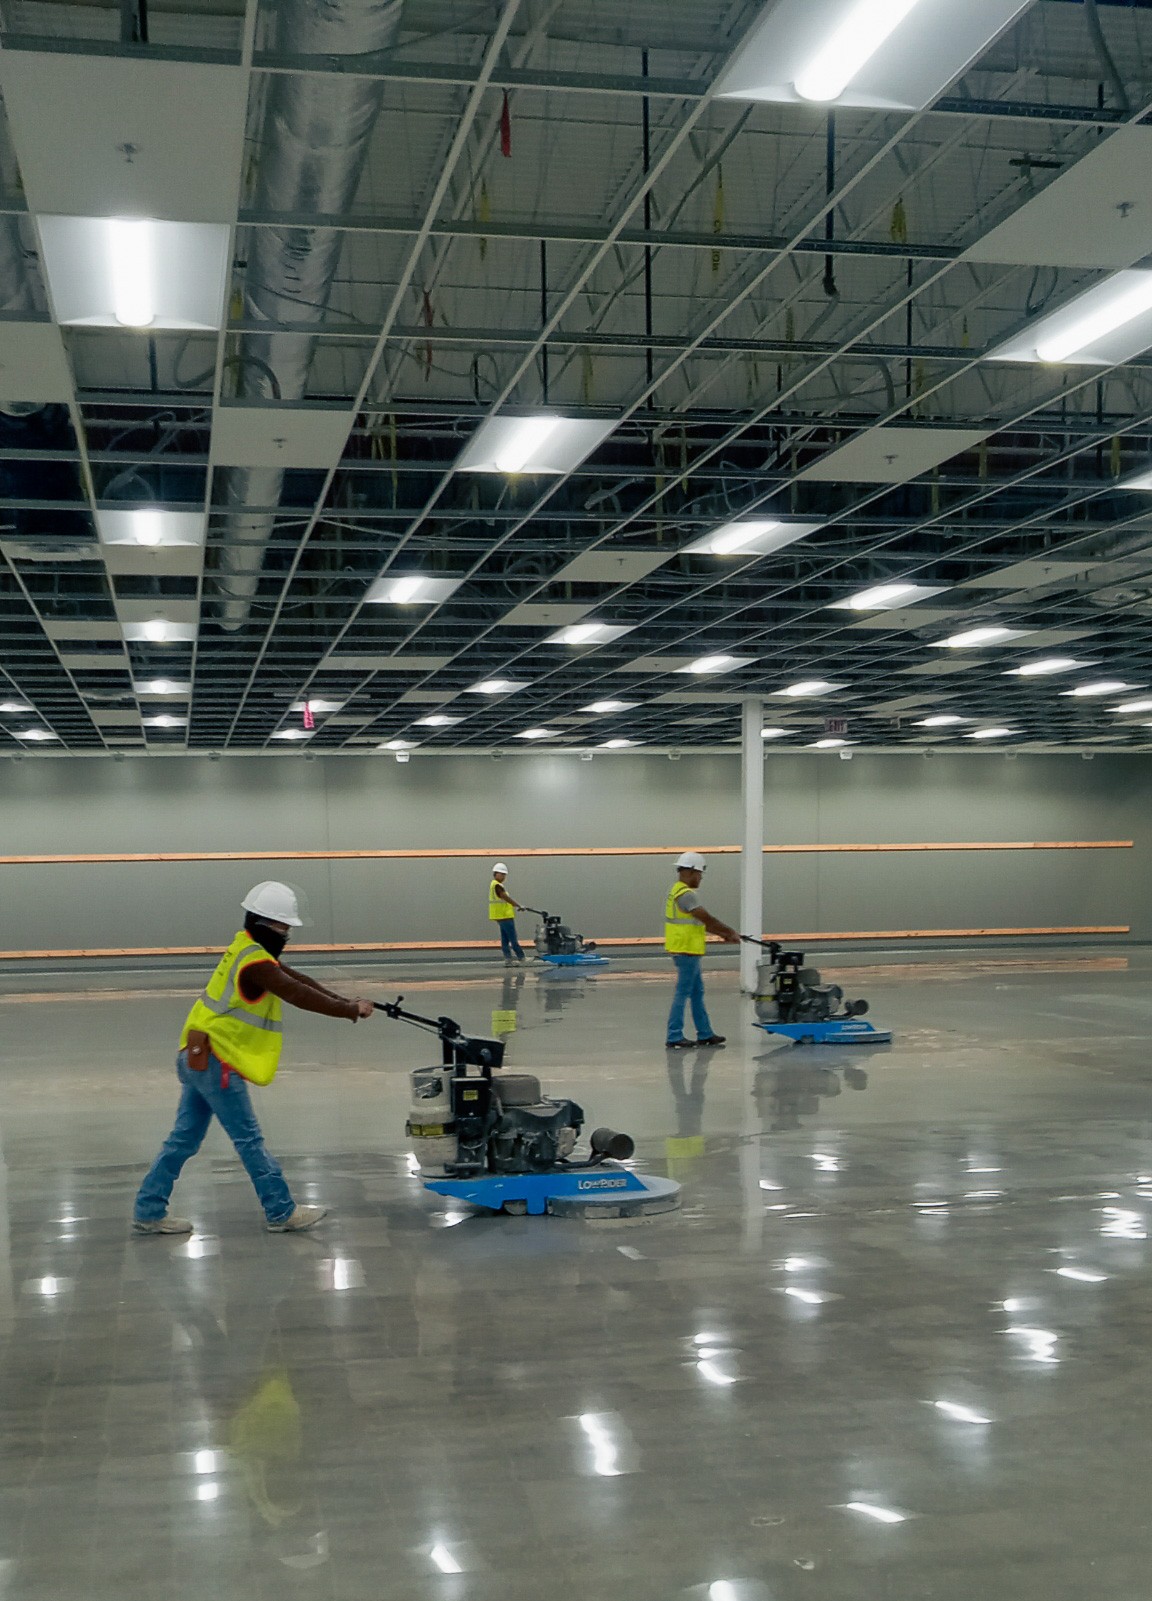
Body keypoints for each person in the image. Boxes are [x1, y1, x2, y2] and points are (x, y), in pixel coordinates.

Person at [133, 881, 374, 1236]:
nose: (287, 934)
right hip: (218, 1062)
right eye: (284, 927)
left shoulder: (246, 948)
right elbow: (297, 993)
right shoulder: (256, 964)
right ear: (266, 924)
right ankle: (281, 1210)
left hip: (196, 1054)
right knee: (249, 1140)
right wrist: (349, 1010)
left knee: (182, 1140)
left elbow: (297, 979)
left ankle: (148, 1209)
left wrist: (347, 1002)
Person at [664, 850, 740, 1050]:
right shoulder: (685, 895)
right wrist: (729, 932)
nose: (700, 878)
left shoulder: (677, 891)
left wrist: (723, 934)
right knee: (683, 993)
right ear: (690, 872)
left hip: (688, 949)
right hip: (686, 950)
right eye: (699, 874)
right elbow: (707, 919)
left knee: (697, 992)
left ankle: (705, 1033)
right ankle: (674, 1035)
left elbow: (702, 923)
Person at [489, 860, 526, 966]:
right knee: (513, 938)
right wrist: (518, 905)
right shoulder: (497, 886)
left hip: (500, 916)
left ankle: (508, 959)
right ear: (496, 874)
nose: (504, 877)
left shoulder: (494, 885)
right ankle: (521, 958)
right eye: (502, 874)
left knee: (505, 939)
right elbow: (505, 897)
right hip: (505, 916)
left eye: (504, 875)